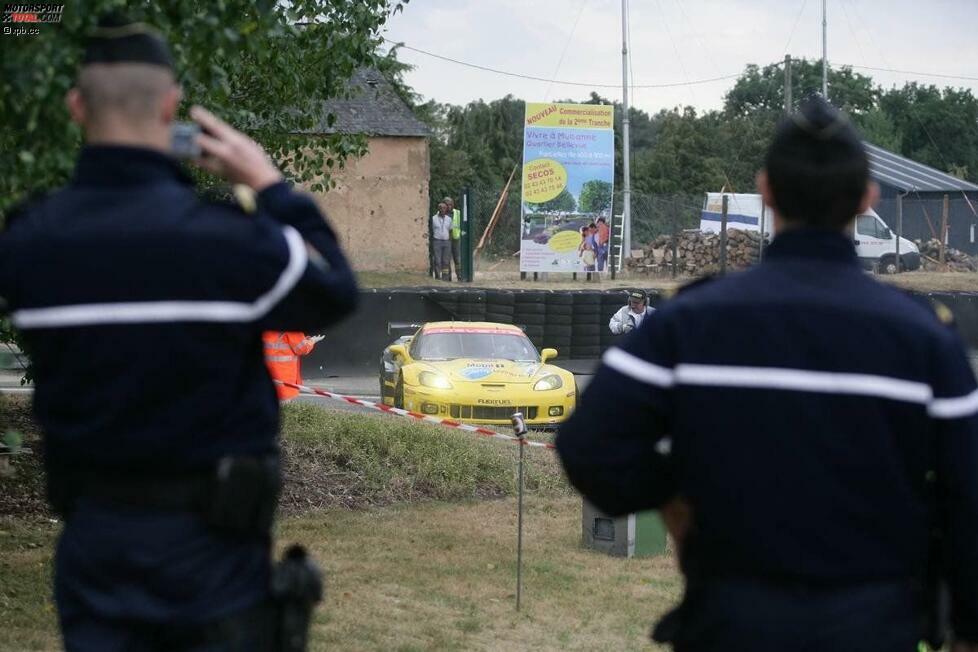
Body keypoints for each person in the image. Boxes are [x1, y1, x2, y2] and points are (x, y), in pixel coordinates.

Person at [556, 97, 978, 652]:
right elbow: (970, 494)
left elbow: (588, 447)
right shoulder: (924, 337)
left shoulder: (688, 322)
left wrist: (676, 498)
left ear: (766, 191)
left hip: (731, 624)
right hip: (874, 626)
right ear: (866, 198)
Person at [0, 17, 359, 650]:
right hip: (214, 561)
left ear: (76, 106)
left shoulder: (30, 242)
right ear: (172, 109)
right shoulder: (230, 243)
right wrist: (268, 184)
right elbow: (335, 288)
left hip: (95, 552)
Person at [263, 332, 325, 401]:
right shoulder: (293, 328)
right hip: (284, 376)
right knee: (283, 404)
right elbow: (302, 349)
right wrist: (312, 341)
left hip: (266, 374)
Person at [431, 201, 453, 280]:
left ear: (446, 209)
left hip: (446, 242)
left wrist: (449, 241)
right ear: (438, 209)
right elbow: (431, 230)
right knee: (437, 260)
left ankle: (445, 278)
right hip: (437, 241)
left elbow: (450, 230)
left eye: (444, 208)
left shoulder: (449, 219)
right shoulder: (433, 218)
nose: (442, 210)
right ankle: (437, 277)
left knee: (446, 261)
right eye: (441, 208)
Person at [445, 195, 462, 281]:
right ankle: (448, 278)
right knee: (446, 259)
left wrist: (462, 233)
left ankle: (460, 276)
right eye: (447, 204)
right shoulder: (440, 213)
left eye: (450, 204)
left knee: (457, 258)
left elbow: (463, 225)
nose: (448, 206)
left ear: (453, 204)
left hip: (456, 239)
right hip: (446, 239)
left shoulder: (458, 213)